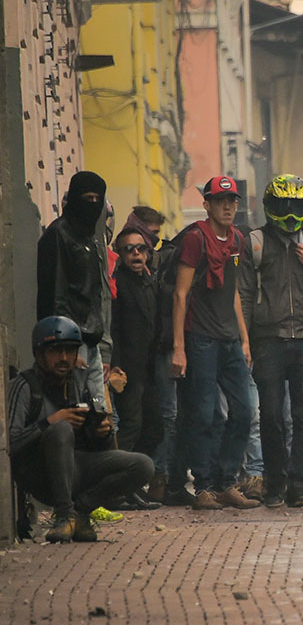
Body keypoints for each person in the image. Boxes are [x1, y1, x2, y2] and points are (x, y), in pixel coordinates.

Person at [8, 316, 154, 542]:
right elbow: (10, 444)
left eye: (70, 351)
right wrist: (50, 422)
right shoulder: (25, 386)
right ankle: (64, 516)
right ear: (40, 354)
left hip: (75, 468)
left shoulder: (77, 383)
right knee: (61, 430)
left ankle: (81, 511)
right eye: (56, 351)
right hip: (38, 473)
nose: (64, 358)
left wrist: (100, 433)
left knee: (143, 465)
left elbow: (91, 449)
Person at [168, 176, 259, 511]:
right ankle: (203, 486)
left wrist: (244, 338)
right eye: (220, 200)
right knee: (203, 414)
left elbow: (232, 291)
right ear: (207, 204)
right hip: (201, 339)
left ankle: (226, 483)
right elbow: (180, 294)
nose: (227, 206)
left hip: (230, 340)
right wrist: (179, 347)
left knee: (245, 411)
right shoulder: (196, 238)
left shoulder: (237, 238)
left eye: (232, 201)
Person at [239, 174, 303, 508]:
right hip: (268, 339)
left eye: (296, 207)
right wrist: (244, 340)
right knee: (271, 414)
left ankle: (299, 485)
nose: (289, 214)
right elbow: (244, 294)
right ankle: (275, 482)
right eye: (283, 206)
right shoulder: (255, 242)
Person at [37, 171, 113, 415]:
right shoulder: (58, 235)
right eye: (87, 198)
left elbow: (96, 295)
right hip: (71, 342)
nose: (92, 205)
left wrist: (102, 346)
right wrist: (66, 346)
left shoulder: (92, 238)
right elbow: (56, 294)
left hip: (92, 341)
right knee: (74, 410)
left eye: (97, 199)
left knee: (99, 415)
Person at [108, 228, 162, 510]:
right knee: (131, 425)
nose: (136, 254)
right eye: (129, 249)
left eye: (140, 248)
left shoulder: (151, 282)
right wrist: (115, 365)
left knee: (154, 426)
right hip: (128, 368)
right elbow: (113, 327)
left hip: (152, 367)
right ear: (121, 254)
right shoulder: (118, 284)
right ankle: (119, 489)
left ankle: (133, 484)